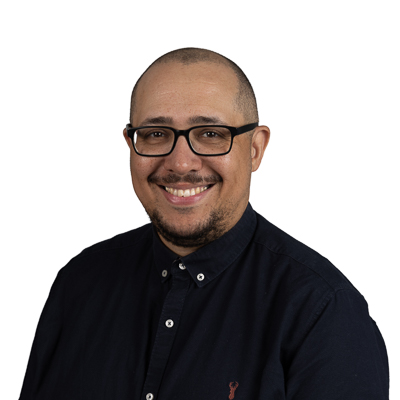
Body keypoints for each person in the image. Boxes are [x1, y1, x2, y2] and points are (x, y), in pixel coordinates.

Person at [19, 48, 389, 399]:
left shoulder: (323, 313)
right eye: (156, 134)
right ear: (131, 145)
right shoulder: (79, 283)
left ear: (255, 149)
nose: (181, 163)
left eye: (210, 134)